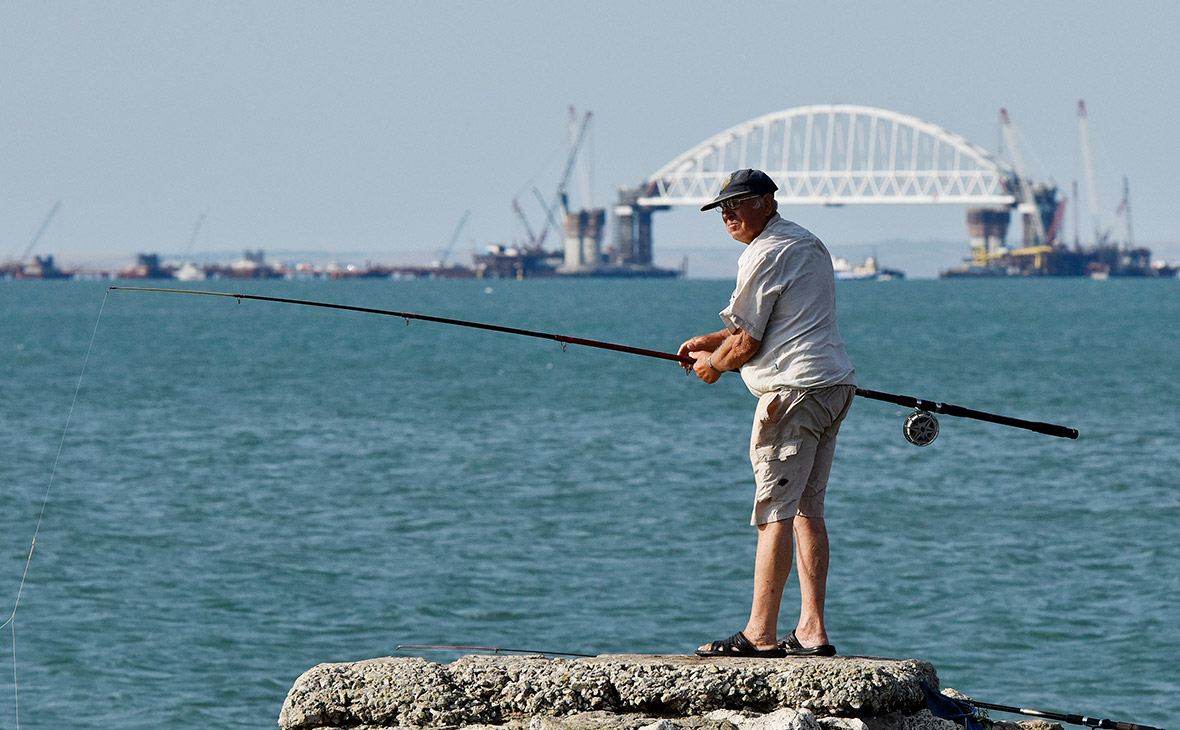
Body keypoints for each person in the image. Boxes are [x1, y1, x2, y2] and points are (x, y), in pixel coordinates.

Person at [679, 169, 857, 658]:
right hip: (833, 386)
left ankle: (759, 634)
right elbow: (781, 322)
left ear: (768, 201)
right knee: (807, 510)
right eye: (722, 208)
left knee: (774, 513)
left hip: (792, 395)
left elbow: (749, 341)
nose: (728, 214)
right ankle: (812, 632)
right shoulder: (807, 243)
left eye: (738, 204)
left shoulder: (764, 252)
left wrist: (713, 365)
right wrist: (710, 342)